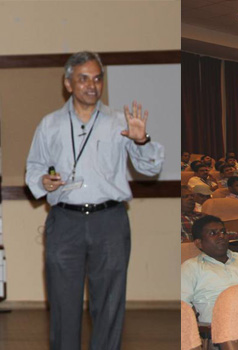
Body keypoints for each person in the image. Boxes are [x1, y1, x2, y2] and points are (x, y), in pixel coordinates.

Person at [25, 51, 164, 350]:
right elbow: (34, 167)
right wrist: (41, 181)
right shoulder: (49, 124)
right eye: (83, 78)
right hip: (64, 221)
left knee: (110, 304)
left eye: (98, 78)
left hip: (110, 221)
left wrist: (142, 140)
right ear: (68, 83)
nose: (92, 85)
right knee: (63, 303)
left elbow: (150, 168)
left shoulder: (120, 121)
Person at [181, 215, 238, 323]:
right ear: (199, 243)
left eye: (223, 232)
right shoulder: (191, 267)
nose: (221, 236)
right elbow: (182, 307)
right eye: (213, 233)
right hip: (221, 330)